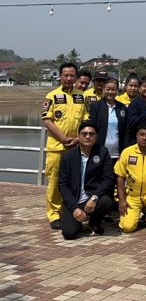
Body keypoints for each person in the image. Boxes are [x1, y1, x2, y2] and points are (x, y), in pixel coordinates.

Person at [42, 62, 90, 228]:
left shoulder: (82, 97)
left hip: (76, 147)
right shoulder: (51, 96)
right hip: (56, 147)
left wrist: (77, 139)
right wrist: (63, 138)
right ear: (60, 77)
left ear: (76, 77)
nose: (69, 78)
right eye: (66, 75)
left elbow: (86, 121)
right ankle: (54, 215)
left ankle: (69, 210)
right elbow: (47, 121)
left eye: (72, 76)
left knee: (74, 181)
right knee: (54, 181)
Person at [57, 123, 115, 239]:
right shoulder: (68, 156)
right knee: (69, 233)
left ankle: (94, 222)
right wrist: (74, 208)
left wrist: (94, 197)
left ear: (96, 137)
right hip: (74, 201)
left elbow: (108, 179)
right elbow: (62, 185)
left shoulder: (102, 153)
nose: (88, 136)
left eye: (91, 134)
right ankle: (78, 221)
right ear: (78, 136)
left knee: (106, 202)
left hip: (92, 198)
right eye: (84, 134)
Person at [88, 78, 128, 164]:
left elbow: (125, 131)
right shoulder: (96, 107)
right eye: (108, 89)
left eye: (113, 89)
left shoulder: (122, 107)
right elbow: (92, 129)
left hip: (118, 153)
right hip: (99, 151)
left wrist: (124, 151)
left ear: (117, 91)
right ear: (103, 89)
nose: (110, 92)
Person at [125, 76, 146, 144]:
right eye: (144, 86)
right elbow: (131, 123)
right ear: (139, 88)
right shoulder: (134, 103)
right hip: (136, 141)